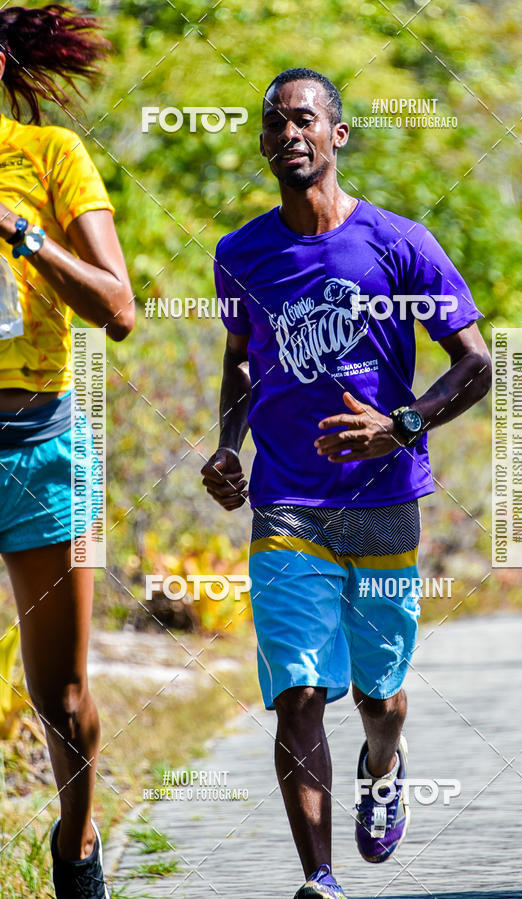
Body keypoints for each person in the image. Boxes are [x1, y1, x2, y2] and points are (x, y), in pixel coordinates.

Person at [202, 67, 491, 899]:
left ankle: (385, 764)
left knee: (382, 697)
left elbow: (475, 363)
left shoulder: (398, 243)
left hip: (383, 501)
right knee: (297, 691)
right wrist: (228, 446)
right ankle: (320, 879)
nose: (287, 134)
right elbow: (239, 364)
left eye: (303, 120)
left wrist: (401, 424)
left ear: (338, 136)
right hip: (286, 501)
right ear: (263, 146)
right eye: (273, 125)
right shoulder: (241, 254)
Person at [0, 6, 134, 897]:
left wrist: (24, 234)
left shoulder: (48, 156)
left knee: (63, 695)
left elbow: (118, 308)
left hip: (35, 443)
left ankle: (76, 846)